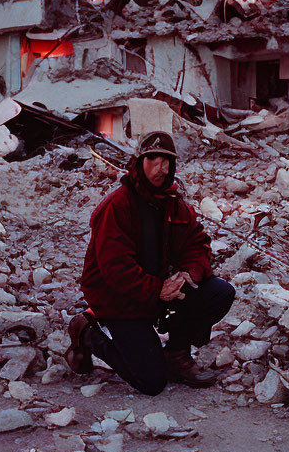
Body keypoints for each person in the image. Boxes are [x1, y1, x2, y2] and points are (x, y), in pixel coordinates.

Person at [66, 131, 235, 396]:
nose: (160, 168)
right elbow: (116, 270)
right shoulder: (117, 206)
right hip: (120, 301)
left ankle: (177, 355)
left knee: (220, 293)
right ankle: (87, 331)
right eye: (152, 160)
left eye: (166, 161)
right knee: (151, 382)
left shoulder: (172, 203)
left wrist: (187, 273)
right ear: (139, 163)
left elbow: (198, 244)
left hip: (157, 292)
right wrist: (158, 289)